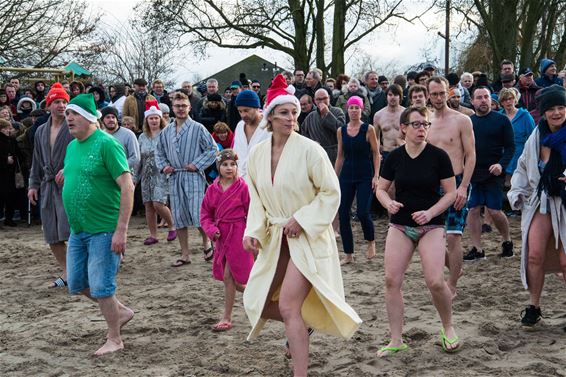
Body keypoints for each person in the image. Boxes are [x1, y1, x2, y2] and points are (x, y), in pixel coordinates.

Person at [242, 74, 362, 376]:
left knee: (287, 305)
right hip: (276, 236)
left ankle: (300, 372)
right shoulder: (257, 155)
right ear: (270, 116)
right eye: (284, 112)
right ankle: (305, 324)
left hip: (307, 237)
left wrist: (304, 219)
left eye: (294, 112)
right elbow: (256, 198)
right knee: (256, 299)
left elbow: (330, 191)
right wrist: (253, 231)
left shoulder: (310, 150)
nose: (291, 118)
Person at [375, 106, 459, 357]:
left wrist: (431, 212)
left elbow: (452, 193)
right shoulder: (394, 157)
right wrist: (388, 203)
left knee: (434, 281)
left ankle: (448, 328)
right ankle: (396, 339)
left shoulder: (438, 156)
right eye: (417, 124)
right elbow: (380, 188)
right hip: (400, 225)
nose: (422, 128)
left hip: (431, 225)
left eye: (426, 124)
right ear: (403, 128)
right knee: (391, 281)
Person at [62, 93, 135, 356]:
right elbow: (82, 174)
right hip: (79, 229)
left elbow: (127, 185)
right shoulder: (72, 146)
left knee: (102, 286)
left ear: (91, 118)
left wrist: (122, 230)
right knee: (78, 283)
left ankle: (115, 338)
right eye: (67, 114)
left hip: (104, 229)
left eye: (74, 114)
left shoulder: (107, 144)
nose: (68, 118)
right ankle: (121, 311)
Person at [508, 85, 566, 327]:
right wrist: (517, 192)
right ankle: (534, 306)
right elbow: (523, 166)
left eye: (561, 107)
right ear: (543, 113)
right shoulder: (536, 137)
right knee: (534, 254)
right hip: (541, 200)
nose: (556, 113)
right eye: (551, 109)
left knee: (565, 260)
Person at [426, 77, 476, 298]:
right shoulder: (424, 121)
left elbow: (471, 155)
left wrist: (464, 186)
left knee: (454, 236)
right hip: (430, 186)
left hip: (456, 182)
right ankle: (456, 267)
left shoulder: (462, 120)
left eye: (441, 93)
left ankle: (452, 285)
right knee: (430, 235)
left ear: (449, 93)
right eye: (434, 94)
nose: (438, 98)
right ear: (428, 95)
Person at [155, 92, 218, 267]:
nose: (181, 109)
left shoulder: (198, 128)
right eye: (177, 106)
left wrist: (197, 164)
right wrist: (164, 166)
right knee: (179, 216)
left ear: (189, 107)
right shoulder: (166, 131)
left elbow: (212, 150)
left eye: (184, 106)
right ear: (173, 108)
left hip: (193, 176)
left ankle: (207, 244)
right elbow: (158, 152)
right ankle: (185, 254)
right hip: (175, 176)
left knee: (198, 213)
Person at [200, 149, 254, 332]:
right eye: (225, 164)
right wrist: (211, 230)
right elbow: (205, 214)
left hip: (239, 234)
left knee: (228, 276)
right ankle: (262, 296)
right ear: (218, 167)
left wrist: (251, 234)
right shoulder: (212, 189)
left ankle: (226, 317)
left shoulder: (243, 187)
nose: (229, 168)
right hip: (220, 236)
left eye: (233, 164)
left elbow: (252, 212)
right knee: (235, 281)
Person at [28, 83, 73, 288]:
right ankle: (67, 271)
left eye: (64, 101)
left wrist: (69, 168)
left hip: (69, 185)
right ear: (48, 105)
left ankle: (76, 270)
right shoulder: (40, 131)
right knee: (51, 233)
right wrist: (33, 185)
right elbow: (36, 161)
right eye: (57, 102)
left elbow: (84, 152)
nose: (61, 106)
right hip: (47, 186)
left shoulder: (73, 127)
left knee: (70, 231)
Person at [464, 87, 515, 260]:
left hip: (494, 173)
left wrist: (501, 165)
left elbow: (510, 147)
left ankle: (507, 241)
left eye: (486, 97)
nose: (483, 100)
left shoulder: (501, 120)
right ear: (472, 101)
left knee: (494, 210)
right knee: (472, 209)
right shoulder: (468, 122)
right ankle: (478, 249)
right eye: (479, 97)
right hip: (473, 172)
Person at [335, 96, 380, 264]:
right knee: (343, 213)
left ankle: (371, 241)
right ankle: (348, 253)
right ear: (347, 110)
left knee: (362, 212)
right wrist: (334, 176)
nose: (354, 110)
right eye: (351, 107)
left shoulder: (368, 129)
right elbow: (340, 156)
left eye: (357, 107)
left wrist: (376, 176)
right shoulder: (341, 130)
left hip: (365, 174)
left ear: (362, 110)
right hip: (347, 174)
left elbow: (376, 154)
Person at [136, 104, 176, 245]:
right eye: (151, 118)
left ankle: (172, 226)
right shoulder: (142, 137)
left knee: (158, 203)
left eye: (156, 118)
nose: (153, 121)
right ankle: (153, 235)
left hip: (161, 173)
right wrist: (135, 177)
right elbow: (138, 159)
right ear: (147, 120)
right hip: (146, 174)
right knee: (148, 205)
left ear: (160, 119)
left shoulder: (166, 134)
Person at [499, 88, 536, 185]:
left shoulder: (525, 115)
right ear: (501, 102)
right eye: (505, 99)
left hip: (519, 153)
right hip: (501, 153)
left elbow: (533, 137)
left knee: (516, 184)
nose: (508, 101)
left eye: (510, 98)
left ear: (515, 100)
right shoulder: (498, 116)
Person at [301, 88, 345, 164]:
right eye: (318, 99)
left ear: (329, 98)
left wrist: (327, 114)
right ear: (314, 101)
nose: (322, 101)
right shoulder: (310, 116)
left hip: (335, 155)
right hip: (317, 155)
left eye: (324, 98)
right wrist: (311, 143)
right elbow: (304, 134)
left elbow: (341, 130)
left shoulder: (337, 111)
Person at [232, 90, 270, 178]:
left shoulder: (269, 127)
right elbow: (236, 153)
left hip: (263, 180)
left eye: (246, 110)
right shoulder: (240, 126)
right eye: (240, 111)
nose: (243, 115)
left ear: (257, 108)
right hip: (241, 182)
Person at [100, 106, 140, 174]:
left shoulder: (128, 134)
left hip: (125, 175)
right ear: (102, 120)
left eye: (113, 117)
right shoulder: (101, 136)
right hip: (106, 177)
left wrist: (118, 167)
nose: (111, 120)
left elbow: (135, 158)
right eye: (108, 117)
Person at [373, 84, 406, 162]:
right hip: (386, 153)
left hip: (403, 152)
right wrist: (378, 154)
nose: (392, 97)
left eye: (396, 94)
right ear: (386, 96)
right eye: (390, 94)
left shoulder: (406, 113)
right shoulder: (378, 115)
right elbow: (376, 138)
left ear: (400, 97)